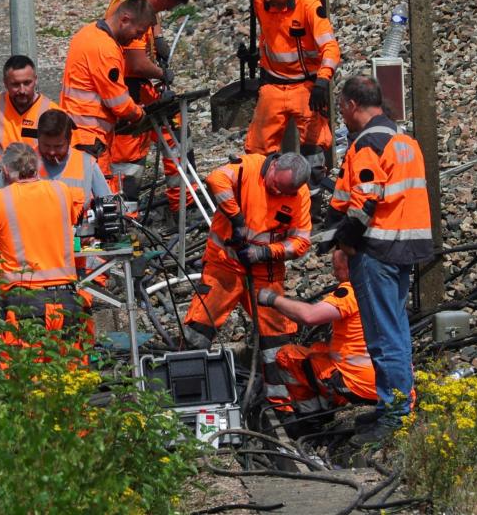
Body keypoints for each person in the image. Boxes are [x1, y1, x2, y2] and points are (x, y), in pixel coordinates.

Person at [328, 75, 433, 445]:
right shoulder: (404, 140)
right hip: (405, 246)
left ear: (352, 105)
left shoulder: (368, 142)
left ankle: (395, 416)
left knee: (382, 336)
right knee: (397, 331)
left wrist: (344, 242)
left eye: (341, 107)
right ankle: (396, 404)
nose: (340, 115)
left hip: (378, 250)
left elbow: (365, 199)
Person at [182, 152, 312, 410]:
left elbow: (301, 242)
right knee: (198, 329)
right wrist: (236, 218)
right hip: (225, 266)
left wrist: (265, 252)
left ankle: (283, 406)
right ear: (273, 166)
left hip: (265, 273)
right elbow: (215, 178)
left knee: (278, 342)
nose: (279, 192)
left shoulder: (299, 195)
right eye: (277, 185)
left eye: (286, 190)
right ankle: (187, 396)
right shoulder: (247, 169)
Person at [0, 142, 88, 343]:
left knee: (23, 371)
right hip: (67, 297)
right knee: (68, 368)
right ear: (36, 167)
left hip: (24, 301)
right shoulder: (62, 190)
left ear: (6, 170)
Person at [104, 0, 196, 210]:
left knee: (176, 132)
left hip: (138, 85)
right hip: (127, 87)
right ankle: (125, 217)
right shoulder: (132, 19)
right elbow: (137, 63)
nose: (161, 14)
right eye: (166, 7)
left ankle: (184, 204)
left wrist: (159, 36)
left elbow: (151, 10)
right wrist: (161, 73)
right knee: (128, 156)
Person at [245, 0, 341, 188]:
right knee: (257, 149)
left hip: (305, 86)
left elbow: (331, 47)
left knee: (313, 146)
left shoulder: (308, 4)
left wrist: (322, 81)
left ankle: (312, 208)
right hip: (273, 84)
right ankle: (262, 198)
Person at [257, 249, 376, 424]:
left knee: (288, 355)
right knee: (317, 349)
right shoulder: (381, 286)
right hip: (388, 381)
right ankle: (325, 406)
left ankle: (311, 417)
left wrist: (272, 299)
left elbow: (309, 316)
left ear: (351, 268)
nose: (334, 275)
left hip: (359, 386)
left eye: (337, 269)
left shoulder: (351, 291)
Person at [59, 0, 155, 191]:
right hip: (90, 137)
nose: (137, 38)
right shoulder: (106, 49)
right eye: (138, 32)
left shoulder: (88, 32)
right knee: (99, 200)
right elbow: (118, 102)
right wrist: (141, 114)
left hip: (77, 132)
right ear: (125, 19)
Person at [0, 55, 58, 203]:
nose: (22, 90)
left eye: (27, 83)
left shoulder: (51, 111)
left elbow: (64, 154)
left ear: (36, 79)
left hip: (37, 179)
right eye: (15, 84)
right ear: (5, 83)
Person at [36, 108, 111, 206]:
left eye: (58, 146)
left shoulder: (87, 165)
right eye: (46, 145)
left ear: (70, 139)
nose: (51, 152)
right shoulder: (25, 163)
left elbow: (108, 207)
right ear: (38, 138)